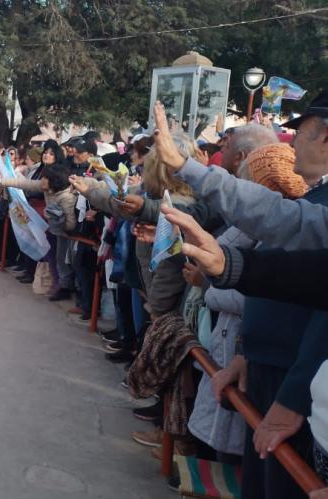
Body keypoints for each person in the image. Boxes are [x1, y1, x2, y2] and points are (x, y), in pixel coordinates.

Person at [152, 96, 328, 499]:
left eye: (297, 133)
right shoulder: (314, 202)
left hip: (295, 385)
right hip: (271, 369)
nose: (291, 144)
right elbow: (290, 231)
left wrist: (295, 394)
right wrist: (230, 269)